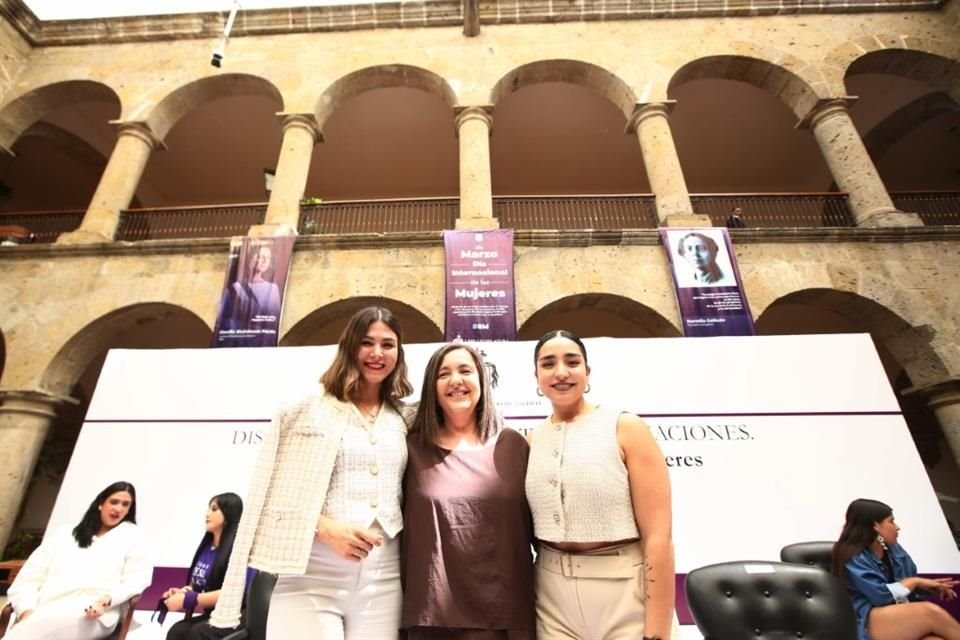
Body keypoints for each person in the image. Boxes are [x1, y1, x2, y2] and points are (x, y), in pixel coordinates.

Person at [209, 305, 415, 639]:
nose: (377, 353)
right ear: (349, 346)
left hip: (385, 579)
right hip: (310, 574)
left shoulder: (405, 418)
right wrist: (322, 527)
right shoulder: (303, 409)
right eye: (367, 342)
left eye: (388, 344)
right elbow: (270, 492)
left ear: (398, 352)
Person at [525, 330, 679, 640]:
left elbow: (658, 539)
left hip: (625, 595)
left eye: (572, 362)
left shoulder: (624, 427)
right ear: (537, 376)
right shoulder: (531, 440)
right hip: (551, 600)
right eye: (548, 363)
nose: (561, 372)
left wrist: (657, 634)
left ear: (587, 371)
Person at [402, 343, 535, 640]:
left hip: (504, 617)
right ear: (431, 387)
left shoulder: (513, 445)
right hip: (430, 618)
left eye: (465, 370)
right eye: (443, 373)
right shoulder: (410, 448)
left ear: (481, 381)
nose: (456, 380)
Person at [6, 481, 151, 640]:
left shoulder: (134, 536)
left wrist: (106, 600)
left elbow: (137, 579)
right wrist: (27, 611)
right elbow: (29, 577)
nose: (119, 509)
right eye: (114, 502)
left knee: (38, 629)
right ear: (101, 504)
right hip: (44, 611)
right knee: (36, 627)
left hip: (94, 613)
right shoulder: (64, 533)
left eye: (125, 505)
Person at [831, 498, 960, 640]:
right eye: (891, 521)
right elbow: (881, 596)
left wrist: (926, 587)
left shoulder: (894, 549)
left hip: (896, 612)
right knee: (929, 611)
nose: (897, 527)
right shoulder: (854, 555)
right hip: (864, 618)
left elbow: (905, 583)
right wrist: (915, 582)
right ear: (876, 526)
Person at [163, 493, 248, 640]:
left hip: (235, 617)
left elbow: (233, 593)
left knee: (197, 633)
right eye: (208, 509)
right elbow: (198, 585)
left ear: (228, 515)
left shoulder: (239, 550)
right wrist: (182, 592)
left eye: (214, 509)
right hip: (213, 615)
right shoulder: (207, 547)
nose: (207, 514)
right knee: (177, 631)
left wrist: (188, 600)